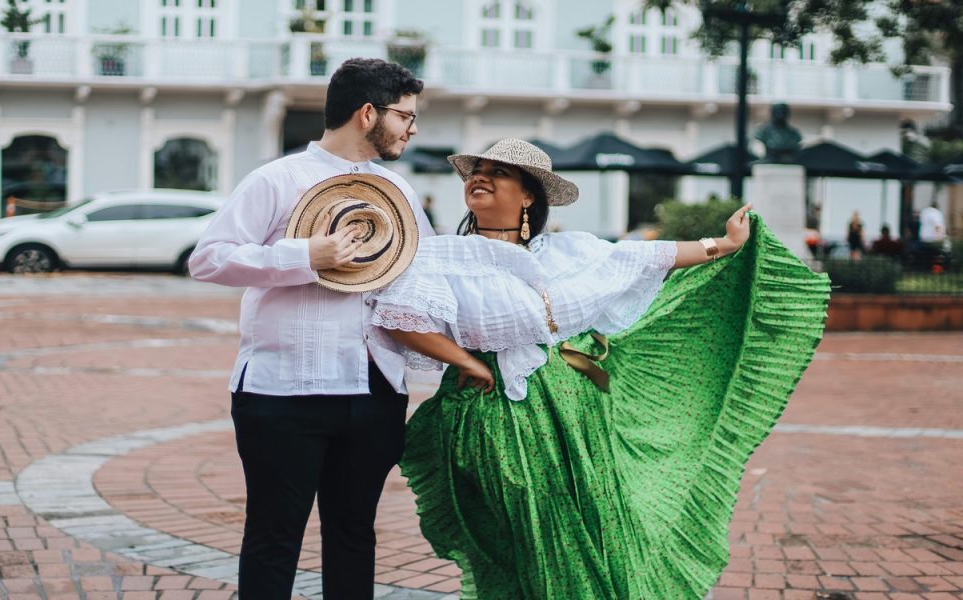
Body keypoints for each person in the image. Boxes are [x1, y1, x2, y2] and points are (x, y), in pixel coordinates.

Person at [369, 139, 830, 599]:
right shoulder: (441, 256)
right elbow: (400, 318)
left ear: (529, 195)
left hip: (577, 410)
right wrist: (468, 361)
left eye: (499, 172)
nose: (480, 178)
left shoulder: (571, 253)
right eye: (476, 171)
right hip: (496, 415)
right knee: (527, 530)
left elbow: (652, 256)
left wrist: (724, 243)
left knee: (593, 523)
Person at [188, 58, 434, 599]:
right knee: (275, 537)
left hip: (375, 390)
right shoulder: (275, 179)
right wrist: (303, 255)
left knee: (353, 534)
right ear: (368, 113)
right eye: (405, 116)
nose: (413, 128)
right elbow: (208, 260)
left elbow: (426, 279)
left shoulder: (399, 192)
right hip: (283, 389)